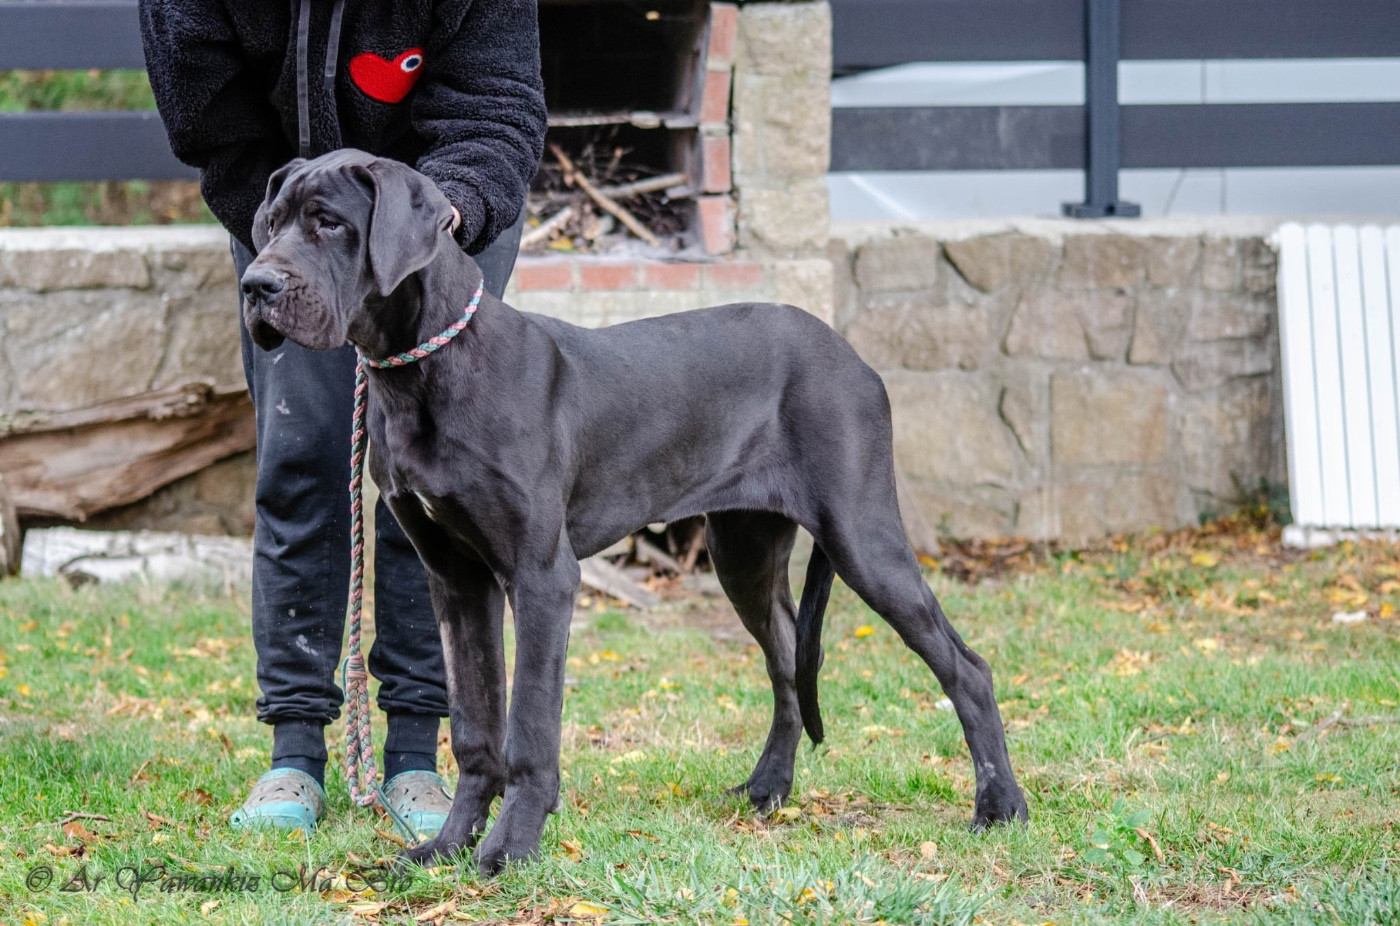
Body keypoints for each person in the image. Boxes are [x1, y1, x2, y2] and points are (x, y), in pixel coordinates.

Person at [138, 0, 547, 838]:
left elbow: (496, 113)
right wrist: (299, 247)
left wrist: (408, 241)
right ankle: (294, 753)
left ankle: (414, 758)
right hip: (289, 211)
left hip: (438, 222)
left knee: (437, 482)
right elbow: (217, 130)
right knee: (301, 456)